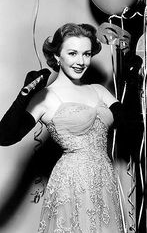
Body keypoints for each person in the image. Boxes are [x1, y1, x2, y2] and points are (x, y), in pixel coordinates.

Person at [0, 23, 125, 233]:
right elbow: (4, 136)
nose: (80, 61)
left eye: (86, 54)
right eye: (73, 53)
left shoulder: (98, 90)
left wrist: (132, 75)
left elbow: (128, 123)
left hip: (104, 180)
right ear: (57, 56)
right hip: (71, 183)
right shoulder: (45, 97)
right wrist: (24, 95)